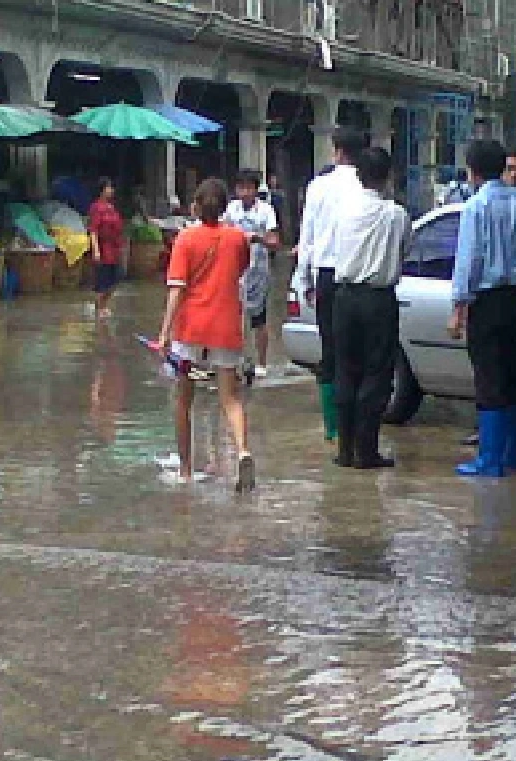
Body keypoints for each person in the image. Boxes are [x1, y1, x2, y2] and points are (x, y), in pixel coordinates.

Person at [447, 141, 516, 478]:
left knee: (489, 376)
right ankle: (512, 455)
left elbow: (468, 261)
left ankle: (489, 460)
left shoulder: (476, 207)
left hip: (488, 301)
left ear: (472, 171)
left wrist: (459, 307)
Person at [156, 179, 255, 492]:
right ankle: (242, 450)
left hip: (190, 330)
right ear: (225, 206)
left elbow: (176, 290)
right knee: (230, 397)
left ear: (196, 206)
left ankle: (186, 470)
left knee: (184, 400)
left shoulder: (185, 240)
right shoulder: (238, 238)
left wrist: (164, 334)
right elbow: (240, 271)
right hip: (226, 326)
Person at [330, 147, 412, 469]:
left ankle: (345, 450)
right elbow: (407, 248)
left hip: (345, 297)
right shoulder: (396, 215)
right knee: (376, 375)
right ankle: (367, 451)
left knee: (345, 372)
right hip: (379, 299)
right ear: (388, 177)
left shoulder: (343, 210)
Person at [294, 126, 367, 442]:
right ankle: (356, 426)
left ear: (336, 150)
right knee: (358, 355)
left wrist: (304, 280)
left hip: (325, 276)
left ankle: (333, 429)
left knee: (330, 352)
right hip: (358, 277)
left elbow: (306, 238)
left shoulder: (318, 187)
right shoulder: (368, 186)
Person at [225, 170, 282, 378]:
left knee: (259, 319)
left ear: (256, 190)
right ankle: (234, 360)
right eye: (241, 187)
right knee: (233, 318)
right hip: (233, 272)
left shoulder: (266, 211)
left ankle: (262, 362)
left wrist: (258, 238)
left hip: (258, 271)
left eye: (249, 188)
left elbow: (275, 242)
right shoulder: (231, 209)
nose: (244, 192)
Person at [88, 178, 125, 320]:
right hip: (103, 250)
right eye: (109, 187)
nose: (112, 190)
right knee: (102, 281)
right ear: (102, 190)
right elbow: (93, 230)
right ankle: (99, 308)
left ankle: (104, 305)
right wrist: (96, 250)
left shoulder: (111, 208)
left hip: (114, 250)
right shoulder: (96, 208)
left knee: (114, 281)